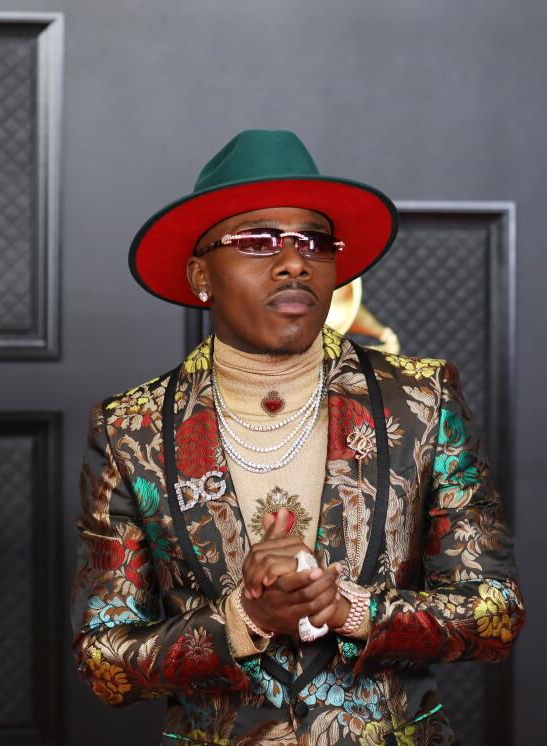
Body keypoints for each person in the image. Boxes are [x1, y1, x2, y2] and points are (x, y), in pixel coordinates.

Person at [71, 129, 523, 745]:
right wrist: (243, 621)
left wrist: (352, 611)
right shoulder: (132, 429)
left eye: (314, 241)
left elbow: (496, 614)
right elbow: (104, 663)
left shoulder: (421, 399)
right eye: (257, 241)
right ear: (200, 273)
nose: (293, 260)